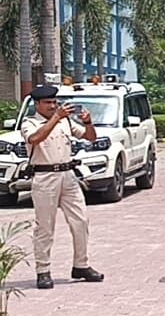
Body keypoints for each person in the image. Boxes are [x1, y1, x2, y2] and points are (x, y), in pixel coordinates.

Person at [21, 84, 104, 290]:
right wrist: (55, 117)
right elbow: (35, 139)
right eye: (47, 103)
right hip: (45, 175)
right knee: (45, 227)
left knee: (80, 220)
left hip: (68, 175)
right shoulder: (30, 122)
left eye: (54, 102)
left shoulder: (65, 120)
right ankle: (43, 270)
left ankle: (81, 265)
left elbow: (89, 137)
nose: (52, 106)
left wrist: (88, 122)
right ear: (37, 104)